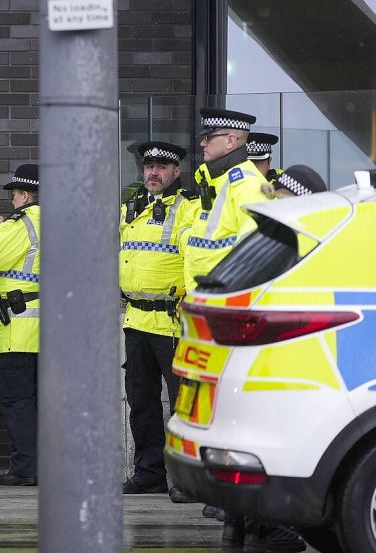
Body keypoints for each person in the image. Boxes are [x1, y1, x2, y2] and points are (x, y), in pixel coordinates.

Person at [217, 164, 326, 553]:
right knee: (269, 443)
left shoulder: (259, 233)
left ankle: (237, 526)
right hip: (270, 354)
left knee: (243, 440)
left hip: (238, 351)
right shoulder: (290, 238)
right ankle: (264, 527)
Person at [118, 142, 195, 502]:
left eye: (162, 166)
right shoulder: (132, 208)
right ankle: (149, 472)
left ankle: (184, 478)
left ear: (176, 171)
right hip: (136, 320)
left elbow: (194, 260)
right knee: (142, 403)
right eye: (149, 165)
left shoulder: (187, 208)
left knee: (182, 405)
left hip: (171, 323)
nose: (153, 172)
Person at [0, 163, 40, 486]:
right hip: (51, 328)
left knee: (18, 401)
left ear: (25, 195)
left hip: (20, 329)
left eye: (15, 196)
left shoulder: (21, 224)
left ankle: (26, 468)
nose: (13, 203)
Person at [181, 108, 270, 291]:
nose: (202, 143)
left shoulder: (248, 185)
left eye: (209, 137)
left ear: (230, 141)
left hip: (225, 300)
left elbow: (254, 256)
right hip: (204, 298)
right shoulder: (217, 181)